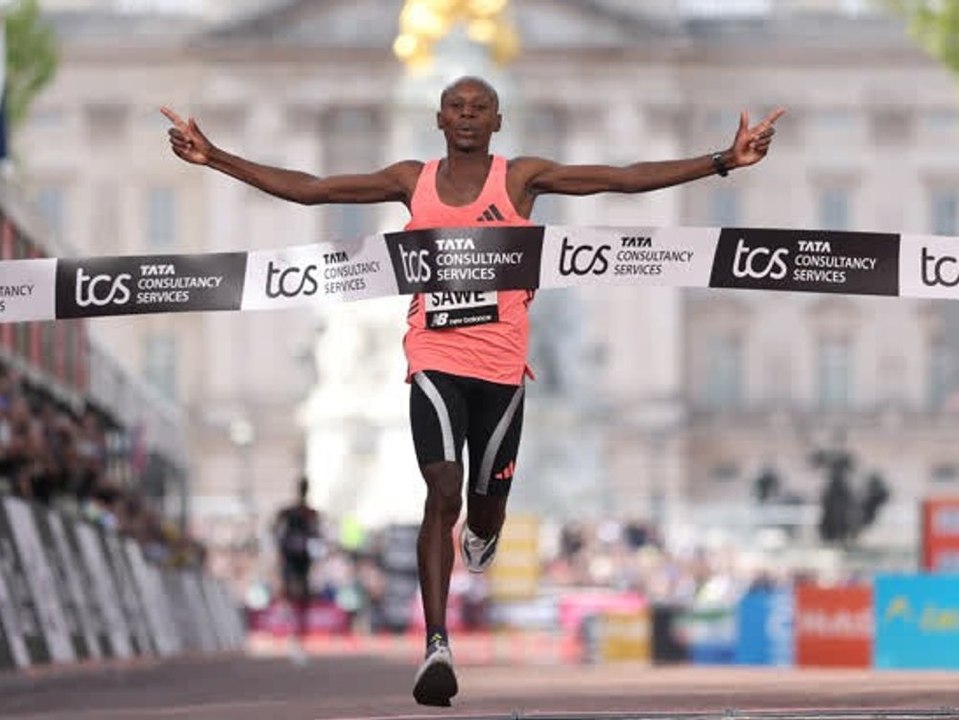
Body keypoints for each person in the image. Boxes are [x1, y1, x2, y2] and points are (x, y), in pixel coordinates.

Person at [161, 78, 783, 705]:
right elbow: (313, 190)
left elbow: (619, 178)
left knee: (485, 509)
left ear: (497, 120)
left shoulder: (521, 180)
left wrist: (721, 162)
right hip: (432, 359)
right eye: (456, 107)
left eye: (477, 108)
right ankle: (436, 643)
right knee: (441, 489)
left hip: (503, 372)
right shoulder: (413, 180)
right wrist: (216, 157)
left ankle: (483, 532)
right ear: (438, 118)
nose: (466, 115)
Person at [272, 475, 322, 664]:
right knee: (295, 598)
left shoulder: (309, 513)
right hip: (292, 561)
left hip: (302, 562)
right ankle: (294, 640)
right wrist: (281, 547)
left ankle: (297, 640)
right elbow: (275, 528)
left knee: (301, 600)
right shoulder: (292, 511)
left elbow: (317, 535)